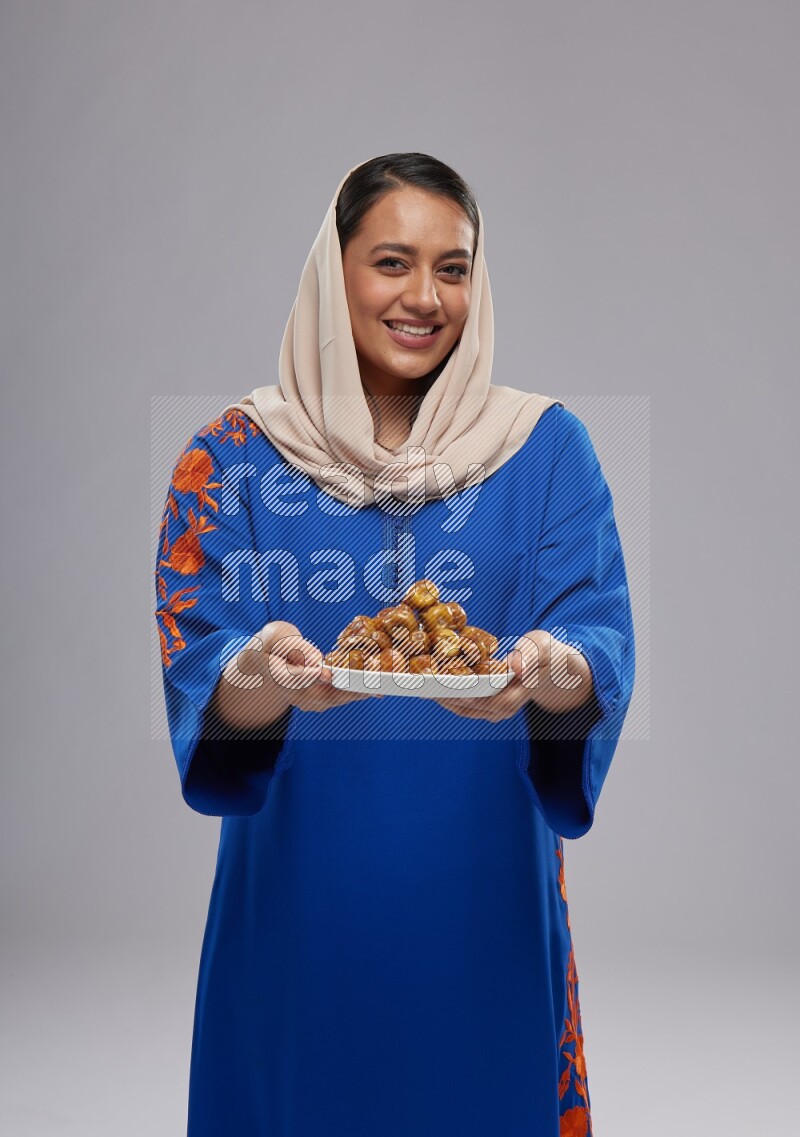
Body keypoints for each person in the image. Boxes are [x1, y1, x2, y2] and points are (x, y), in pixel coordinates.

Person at [154, 152, 635, 1137]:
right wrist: (265, 672)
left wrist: (547, 668)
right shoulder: (230, 460)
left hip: (483, 891)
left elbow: (595, 634)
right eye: (390, 262)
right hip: (297, 902)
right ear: (332, 274)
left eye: (451, 268)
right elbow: (202, 671)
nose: (424, 297)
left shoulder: (544, 449)